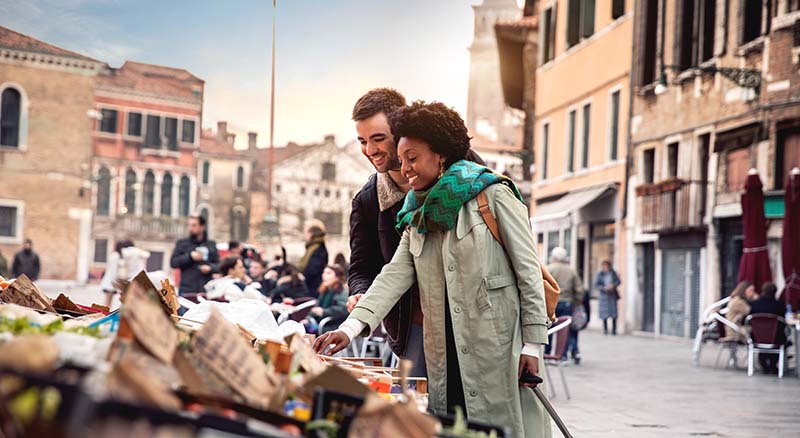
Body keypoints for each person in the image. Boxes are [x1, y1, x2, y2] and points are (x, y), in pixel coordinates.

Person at [315, 101, 551, 438]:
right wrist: (350, 328)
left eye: (413, 158)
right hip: (442, 348)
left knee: (502, 428)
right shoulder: (416, 216)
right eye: (402, 158)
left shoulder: (493, 195)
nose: (405, 168)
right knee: (452, 427)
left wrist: (533, 345)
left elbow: (528, 271)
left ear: (439, 155)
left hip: (496, 347)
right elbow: (393, 276)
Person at [346, 88, 485, 377]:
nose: (370, 150)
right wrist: (360, 294)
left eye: (378, 138)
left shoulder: (465, 167)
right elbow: (362, 267)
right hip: (416, 326)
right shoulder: (368, 200)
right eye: (362, 141)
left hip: (478, 318)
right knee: (419, 410)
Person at [546, 247, 584, 363]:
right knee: (564, 330)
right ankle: (562, 356)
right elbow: (579, 290)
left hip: (551, 303)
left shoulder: (548, 269)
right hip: (567, 303)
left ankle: (547, 353)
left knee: (549, 328)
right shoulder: (571, 271)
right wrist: (576, 303)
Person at [170, 214, 219, 295]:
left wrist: (210, 268)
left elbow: (219, 265)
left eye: (194, 225)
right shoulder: (182, 243)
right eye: (189, 225)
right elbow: (173, 263)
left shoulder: (211, 244)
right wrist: (190, 256)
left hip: (206, 290)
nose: (190, 228)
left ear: (202, 227)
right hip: (187, 290)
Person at [748, 282, 786, 374]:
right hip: (776, 338)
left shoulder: (754, 304)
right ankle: (773, 364)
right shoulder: (779, 305)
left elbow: (749, 319)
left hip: (757, 337)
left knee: (764, 335)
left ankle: (764, 363)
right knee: (779, 335)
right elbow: (783, 321)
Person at [100, 240, 150, 307]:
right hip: (111, 281)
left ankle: (106, 314)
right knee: (109, 303)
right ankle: (106, 315)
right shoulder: (117, 256)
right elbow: (115, 271)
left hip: (110, 281)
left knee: (108, 303)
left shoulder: (116, 255)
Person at [305, 265, 349, 334]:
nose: (324, 275)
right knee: (300, 327)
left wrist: (324, 312)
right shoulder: (325, 290)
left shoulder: (343, 291)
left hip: (333, 325)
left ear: (337, 277)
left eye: (328, 273)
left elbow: (343, 310)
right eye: (324, 273)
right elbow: (316, 307)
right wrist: (307, 318)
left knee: (307, 330)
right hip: (321, 323)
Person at [298, 219, 328, 297]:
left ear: (312, 234)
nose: (304, 234)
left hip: (313, 288)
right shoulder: (312, 247)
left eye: (306, 232)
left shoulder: (318, 249)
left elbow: (313, 270)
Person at [595, 260, 621, 335]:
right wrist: (604, 288)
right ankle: (605, 329)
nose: (605, 267)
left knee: (614, 313)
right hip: (604, 296)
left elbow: (618, 281)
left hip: (612, 296)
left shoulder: (613, 273)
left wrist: (613, 285)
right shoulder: (600, 274)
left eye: (607, 266)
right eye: (604, 266)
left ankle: (614, 330)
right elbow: (596, 284)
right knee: (604, 313)